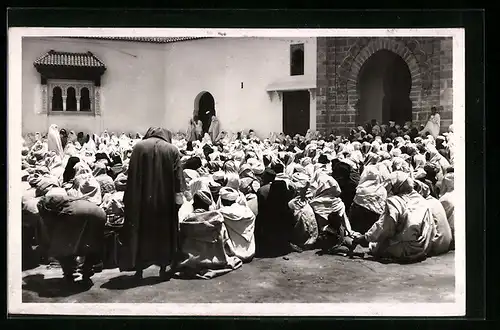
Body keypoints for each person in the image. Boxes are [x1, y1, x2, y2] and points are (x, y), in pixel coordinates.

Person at [119, 127, 184, 280]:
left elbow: (131, 175)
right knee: (164, 233)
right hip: (164, 201)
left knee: (141, 232)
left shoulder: (139, 147)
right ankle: (163, 268)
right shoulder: (172, 150)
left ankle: (139, 269)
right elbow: (178, 177)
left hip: (141, 200)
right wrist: (178, 199)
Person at [353, 171, 436, 262]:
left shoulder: (394, 202)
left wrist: (366, 238)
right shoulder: (423, 201)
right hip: (421, 247)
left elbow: (385, 227)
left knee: (375, 246)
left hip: (403, 248)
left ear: (397, 186)